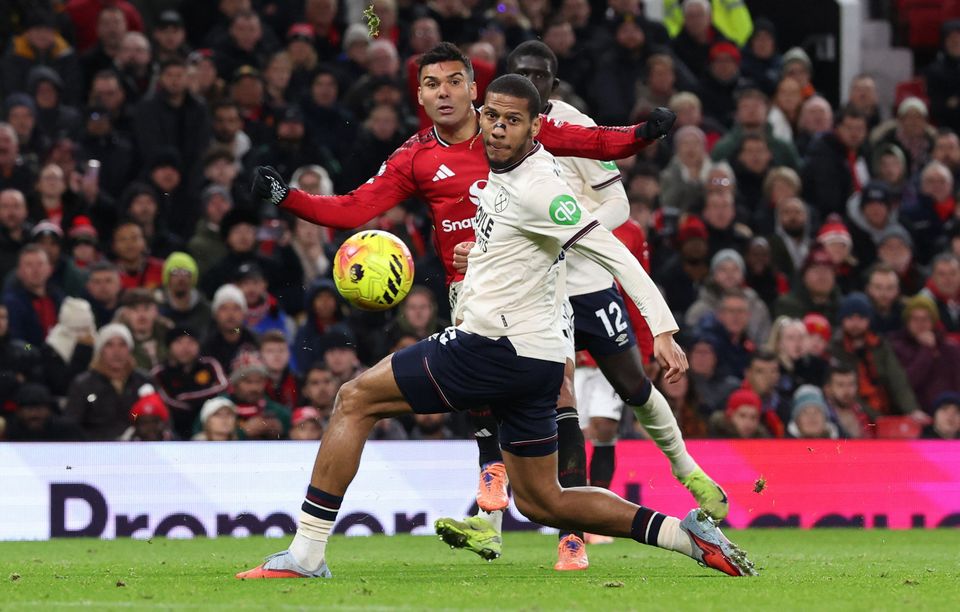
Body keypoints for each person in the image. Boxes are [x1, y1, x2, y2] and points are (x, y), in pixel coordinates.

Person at [236, 75, 756, 580]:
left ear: (535, 128)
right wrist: (482, 254)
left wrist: (662, 329)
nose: (500, 128)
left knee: (354, 399)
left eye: (514, 121)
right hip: (535, 361)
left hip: (492, 348)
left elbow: (611, 250)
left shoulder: (540, 188)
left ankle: (305, 553)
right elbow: (522, 248)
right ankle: (688, 537)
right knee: (543, 500)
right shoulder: (501, 175)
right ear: (480, 118)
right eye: (493, 117)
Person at [829, 293, 922, 420]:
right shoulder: (835, 348)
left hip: (886, 410)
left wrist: (912, 410)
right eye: (850, 318)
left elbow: (897, 379)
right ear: (842, 320)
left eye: (861, 318)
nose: (855, 324)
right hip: (855, 415)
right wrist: (877, 418)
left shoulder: (880, 345)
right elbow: (848, 393)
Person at [63, 323, 152, 440]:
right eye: (109, 345)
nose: (117, 352)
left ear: (130, 350)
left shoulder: (143, 381)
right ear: (100, 350)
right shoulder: (83, 385)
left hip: (138, 449)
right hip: (95, 451)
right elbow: (72, 426)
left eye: (122, 345)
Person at [152, 326, 229, 440]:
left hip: (211, 427)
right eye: (179, 342)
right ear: (169, 346)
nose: (185, 348)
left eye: (191, 342)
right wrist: (203, 398)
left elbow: (223, 387)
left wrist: (185, 397)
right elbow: (168, 402)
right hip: (177, 430)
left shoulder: (209, 364)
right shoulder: (160, 373)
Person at [889, 295, 960, 412]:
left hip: (950, 413)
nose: (920, 324)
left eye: (925, 319)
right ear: (907, 322)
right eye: (915, 319)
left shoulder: (950, 349)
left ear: (933, 321)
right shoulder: (897, 347)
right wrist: (926, 350)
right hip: (915, 413)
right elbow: (907, 384)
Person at [5, 382, 84, 442]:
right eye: (29, 409)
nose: (34, 414)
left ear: (49, 410)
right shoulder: (9, 430)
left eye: (39, 409)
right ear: (19, 412)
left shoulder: (67, 429)